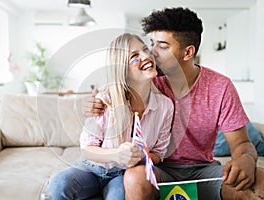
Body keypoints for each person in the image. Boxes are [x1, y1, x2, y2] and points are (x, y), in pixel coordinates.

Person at [84, 7, 264, 200]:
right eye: (151, 44)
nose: (151, 53)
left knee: (260, 179)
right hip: (159, 170)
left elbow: (242, 143)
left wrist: (245, 158)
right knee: (135, 177)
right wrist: (94, 102)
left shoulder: (220, 86)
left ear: (187, 53)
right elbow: (115, 90)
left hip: (202, 171)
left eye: (162, 46)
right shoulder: (146, 80)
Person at [45, 33, 174, 200]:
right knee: (59, 184)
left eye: (145, 50)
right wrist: (115, 155)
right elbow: (87, 149)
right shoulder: (105, 101)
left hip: (123, 174)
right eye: (134, 56)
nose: (146, 56)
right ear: (123, 70)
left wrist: (141, 156)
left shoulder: (165, 106)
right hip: (91, 169)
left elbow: (159, 153)